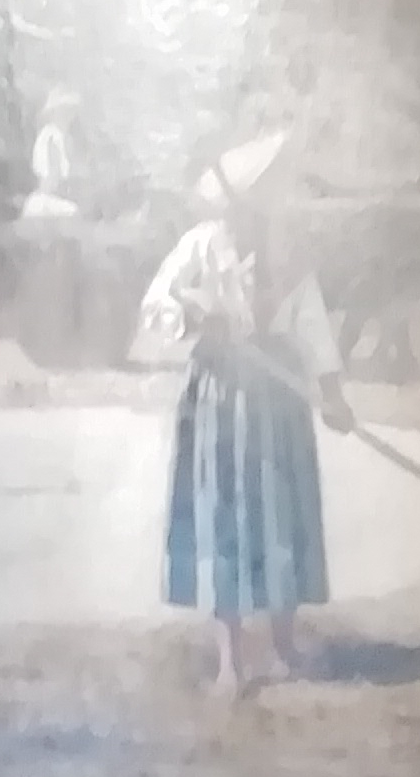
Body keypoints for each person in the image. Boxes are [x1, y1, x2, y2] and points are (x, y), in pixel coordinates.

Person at [130, 163, 355, 695]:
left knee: (280, 516)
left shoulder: (289, 253)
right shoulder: (201, 246)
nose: (250, 217)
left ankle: (283, 645)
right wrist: (194, 317)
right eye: (242, 207)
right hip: (220, 399)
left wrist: (332, 394)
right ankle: (230, 661)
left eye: (262, 205)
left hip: (279, 403)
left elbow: (312, 326)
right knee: (223, 517)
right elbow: (155, 303)